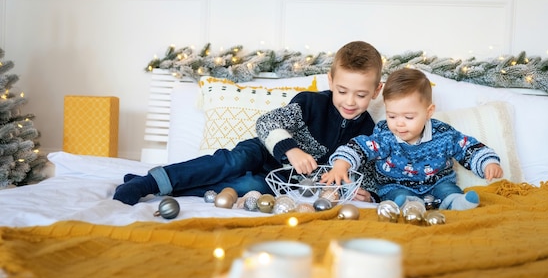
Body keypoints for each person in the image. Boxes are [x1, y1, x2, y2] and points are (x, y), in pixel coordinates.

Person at [113, 40, 384, 205]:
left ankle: (165, 188)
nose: (350, 102)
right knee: (231, 163)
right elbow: (267, 123)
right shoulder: (311, 103)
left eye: (360, 95)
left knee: (248, 188)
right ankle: (149, 182)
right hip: (261, 152)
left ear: (376, 91)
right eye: (342, 91)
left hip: (281, 181)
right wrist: (292, 150)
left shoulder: (369, 130)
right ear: (330, 82)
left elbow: (370, 173)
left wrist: (368, 195)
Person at [321, 67, 503, 210]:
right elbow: (361, 146)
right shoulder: (385, 135)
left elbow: (467, 147)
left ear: (428, 111)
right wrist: (341, 163)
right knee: (396, 196)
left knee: (448, 190)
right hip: (396, 187)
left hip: (437, 183)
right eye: (392, 116)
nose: (399, 124)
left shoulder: (443, 134)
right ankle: (409, 206)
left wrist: (488, 163)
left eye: (408, 117)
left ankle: (457, 204)